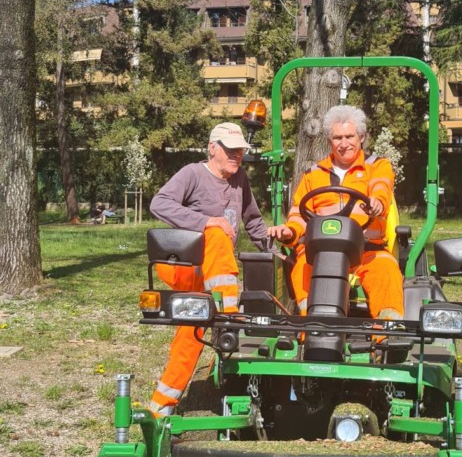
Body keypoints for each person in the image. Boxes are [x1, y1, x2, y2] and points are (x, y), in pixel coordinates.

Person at [148, 121, 268, 417]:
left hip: (212, 279)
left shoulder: (240, 179)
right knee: (215, 233)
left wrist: (274, 251)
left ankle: (160, 407)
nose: (236, 155)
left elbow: (252, 220)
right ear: (212, 148)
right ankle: (228, 314)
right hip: (185, 267)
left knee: (190, 337)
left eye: (240, 150)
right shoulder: (192, 173)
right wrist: (205, 222)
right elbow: (159, 203)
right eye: (230, 150)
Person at [267, 105, 404, 320]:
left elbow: (381, 186)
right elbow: (298, 215)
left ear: (361, 137)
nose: (344, 144)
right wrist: (289, 233)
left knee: (386, 269)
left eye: (349, 136)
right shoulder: (313, 175)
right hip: (320, 251)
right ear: (329, 141)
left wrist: (377, 202)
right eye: (337, 138)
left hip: (365, 251)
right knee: (302, 267)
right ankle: (313, 328)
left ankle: (388, 334)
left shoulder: (377, 166)